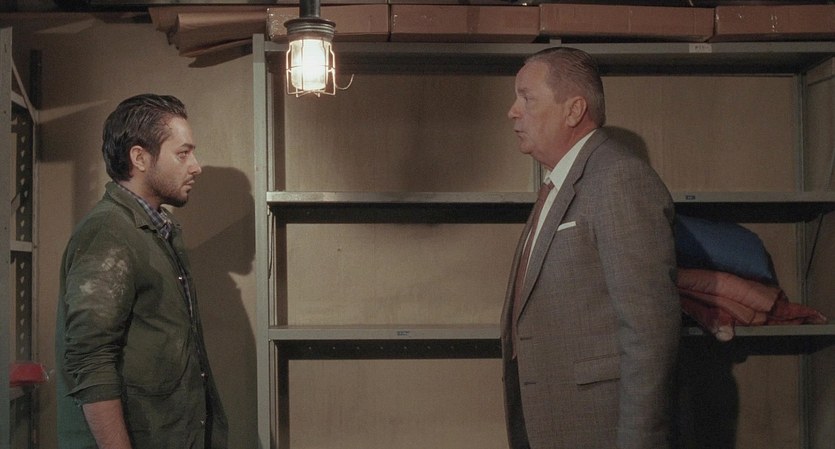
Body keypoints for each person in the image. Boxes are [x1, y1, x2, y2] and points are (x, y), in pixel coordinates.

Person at [500, 47, 681, 449]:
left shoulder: (618, 178)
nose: (513, 111)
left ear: (574, 110)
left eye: (527, 98)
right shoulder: (560, 182)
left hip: (597, 426)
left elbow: (649, 333)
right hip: (550, 420)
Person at [55, 94, 227, 449]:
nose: (196, 166)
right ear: (140, 158)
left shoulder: (156, 229)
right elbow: (91, 360)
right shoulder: (109, 233)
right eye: (183, 153)